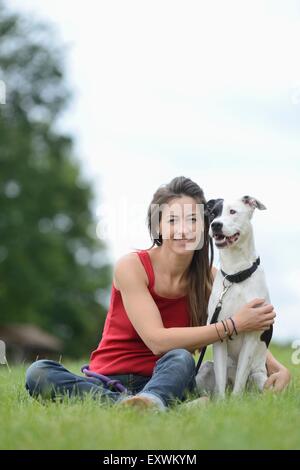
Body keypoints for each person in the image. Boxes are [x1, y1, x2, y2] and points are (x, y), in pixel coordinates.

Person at [25, 176, 291, 411]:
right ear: (157, 226)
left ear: (204, 226)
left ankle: (150, 401)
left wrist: (278, 369)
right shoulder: (131, 266)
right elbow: (157, 341)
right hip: (108, 376)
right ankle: (148, 404)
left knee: (181, 357)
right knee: (39, 372)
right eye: (172, 220)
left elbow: (248, 330)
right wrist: (232, 325)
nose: (183, 229)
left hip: (170, 376)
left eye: (192, 220)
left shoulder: (213, 278)